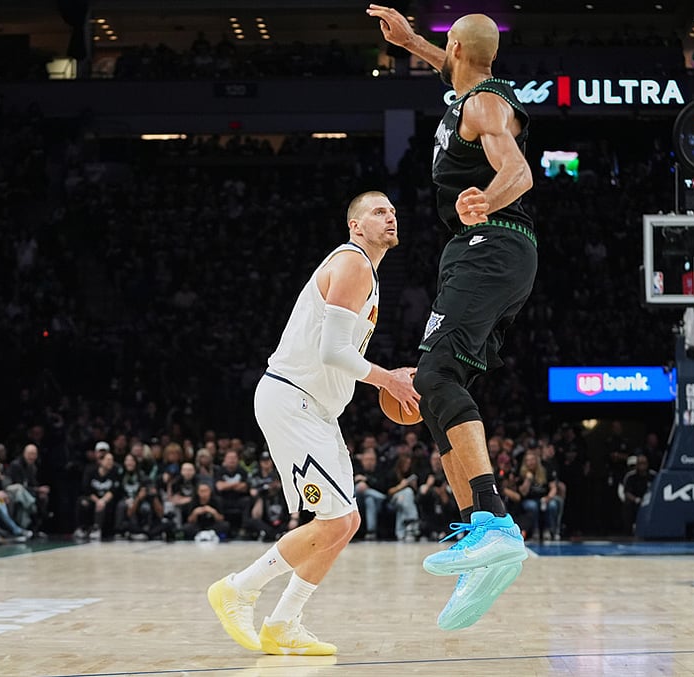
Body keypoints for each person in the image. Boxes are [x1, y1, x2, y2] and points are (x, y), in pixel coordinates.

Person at [367, 5, 533, 629]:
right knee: (436, 387)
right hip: (484, 253)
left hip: (491, 243)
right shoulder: (470, 91)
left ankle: (494, 524)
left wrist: (483, 201)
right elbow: (456, 72)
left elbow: (518, 170)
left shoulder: (484, 106)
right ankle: (481, 551)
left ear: (460, 49)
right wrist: (412, 42)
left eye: (443, 45)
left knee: (433, 376)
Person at [208, 191, 419, 656]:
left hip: (318, 410)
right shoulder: (353, 262)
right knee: (336, 519)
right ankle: (238, 589)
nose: (391, 217)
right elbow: (332, 352)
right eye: (379, 212)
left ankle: (283, 622)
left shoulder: (369, 272)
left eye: (393, 212)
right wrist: (392, 380)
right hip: (292, 398)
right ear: (355, 225)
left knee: (345, 523)